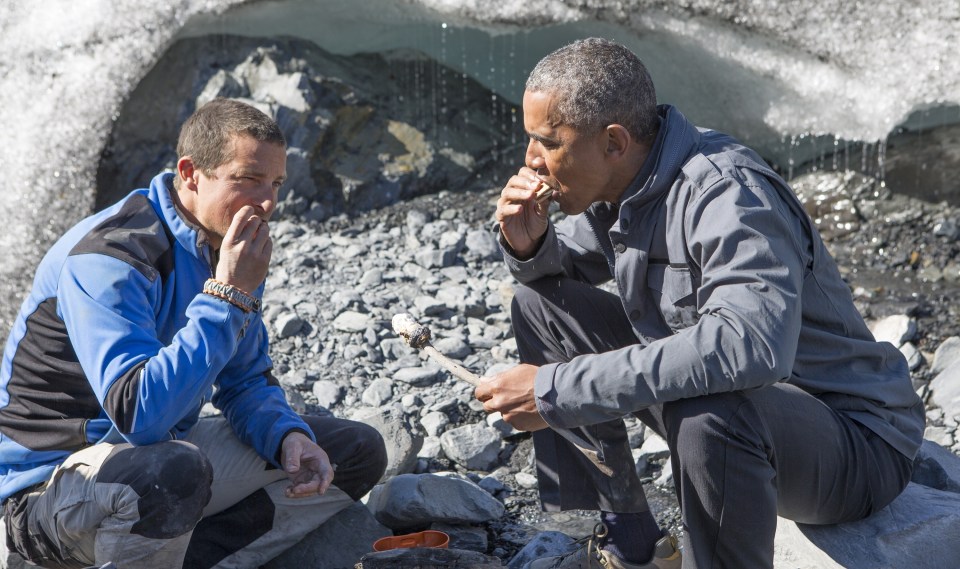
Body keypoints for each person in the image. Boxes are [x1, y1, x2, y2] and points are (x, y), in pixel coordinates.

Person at [476, 38, 924, 569]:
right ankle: (631, 539)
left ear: (613, 142)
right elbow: (569, 267)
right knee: (538, 302)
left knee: (712, 409)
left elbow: (751, 349)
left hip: (853, 446)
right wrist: (528, 246)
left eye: (547, 142)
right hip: (740, 421)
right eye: (529, 140)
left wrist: (559, 389)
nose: (531, 160)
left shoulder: (729, 193)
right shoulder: (629, 181)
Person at [0, 98, 387, 569]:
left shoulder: (228, 242)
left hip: (151, 460)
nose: (266, 203)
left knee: (352, 453)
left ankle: (181, 557)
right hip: (44, 492)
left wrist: (287, 437)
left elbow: (244, 379)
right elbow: (139, 415)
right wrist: (227, 294)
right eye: (247, 180)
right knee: (171, 474)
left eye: (276, 183)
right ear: (190, 174)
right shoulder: (110, 257)